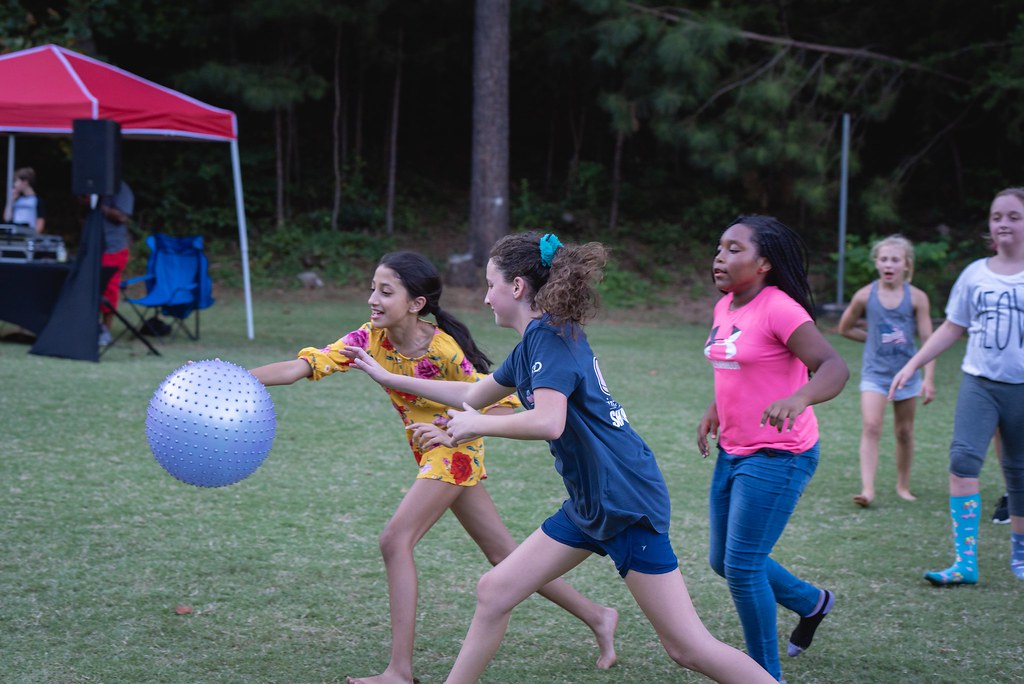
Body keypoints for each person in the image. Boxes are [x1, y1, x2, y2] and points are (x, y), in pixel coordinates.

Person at [346, 234, 776, 684]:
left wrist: (475, 426)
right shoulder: (537, 340)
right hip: (592, 502)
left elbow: (549, 421)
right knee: (495, 591)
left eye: (490, 284)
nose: (485, 296)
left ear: (515, 287)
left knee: (687, 648)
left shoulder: (550, 340)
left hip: (624, 502)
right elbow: (472, 392)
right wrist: (389, 375)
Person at [249, 251, 618, 684]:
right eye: (372, 288)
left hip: (456, 450)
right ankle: (598, 615)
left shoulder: (443, 349)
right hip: (429, 455)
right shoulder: (367, 340)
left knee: (394, 540)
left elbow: (501, 404)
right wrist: (233, 376)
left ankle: (398, 672)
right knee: (503, 556)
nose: (373, 298)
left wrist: (455, 431)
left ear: (416, 303)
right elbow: (300, 367)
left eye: (385, 291)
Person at [697, 215, 850, 681]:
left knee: (742, 569)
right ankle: (812, 602)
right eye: (720, 247)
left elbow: (833, 366)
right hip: (735, 449)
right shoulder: (727, 305)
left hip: (780, 455)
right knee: (722, 561)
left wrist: (799, 396)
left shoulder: (780, 308)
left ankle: (765, 674)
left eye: (734, 249)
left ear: (764, 263)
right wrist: (715, 410)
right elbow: (737, 364)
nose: (720, 257)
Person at [890, 187, 1024, 585]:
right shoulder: (975, 274)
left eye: (1014, 216)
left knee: (1018, 473)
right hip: (980, 384)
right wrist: (915, 362)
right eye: (997, 216)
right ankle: (965, 562)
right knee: (963, 461)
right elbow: (952, 327)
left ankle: (1020, 553)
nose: (1003, 223)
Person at [837, 235, 935, 507]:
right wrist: (870, 339)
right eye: (883, 259)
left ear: (906, 265)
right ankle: (867, 489)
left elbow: (929, 341)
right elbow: (845, 328)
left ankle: (903, 485)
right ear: (876, 263)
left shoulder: (917, 298)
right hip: (875, 375)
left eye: (895, 259)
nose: (888, 264)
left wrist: (928, 377)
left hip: (906, 374)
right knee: (871, 426)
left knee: (904, 431)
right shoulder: (864, 296)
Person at [98, 180, 134, 346]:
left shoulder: (121, 189)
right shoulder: (94, 186)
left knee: (109, 289)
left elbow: (122, 216)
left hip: (114, 248)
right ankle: (92, 327)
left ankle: (106, 330)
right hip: (96, 248)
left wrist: (101, 207)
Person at [4, 166, 45, 233]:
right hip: (15, 234)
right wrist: (11, 201)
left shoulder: (37, 200)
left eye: (17, 181)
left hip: (29, 235)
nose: (15, 185)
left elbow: (40, 222)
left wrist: (34, 236)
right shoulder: (17, 200)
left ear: (25, 182)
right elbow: (7, 218)